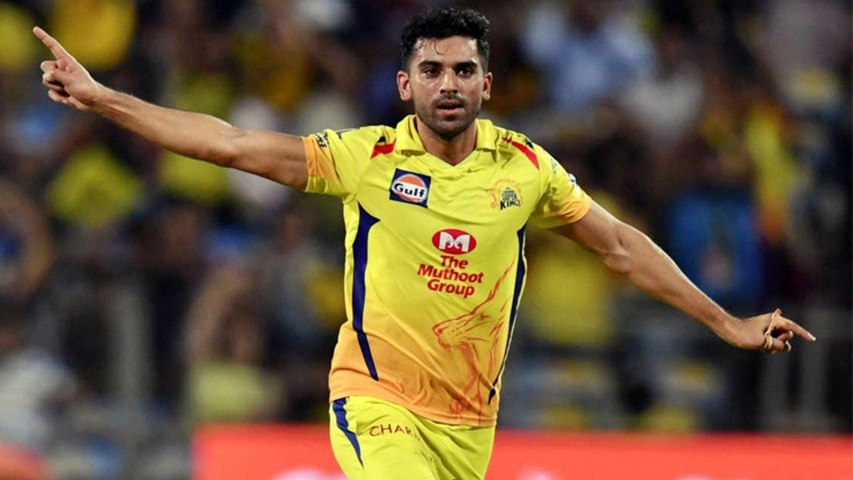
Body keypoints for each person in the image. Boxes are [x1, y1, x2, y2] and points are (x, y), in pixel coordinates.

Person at [33, 7, 816, 480]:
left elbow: (618, 246)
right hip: (376, 399)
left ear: (485, 84)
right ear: (406, 85)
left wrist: (724, 322)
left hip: (468, 426)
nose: (448, 82)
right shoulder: (365, 158)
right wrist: (104, 100)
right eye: (432, 69)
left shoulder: (525, 169)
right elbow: (230, 143)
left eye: (463, 70)